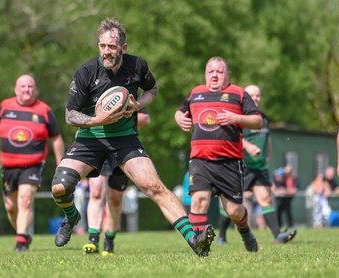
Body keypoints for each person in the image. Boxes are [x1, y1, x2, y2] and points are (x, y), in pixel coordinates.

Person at [50, 18, 213, 257]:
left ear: (123, 48)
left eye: (112, 47)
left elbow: (153, 90)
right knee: (60, 186)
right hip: (90, 139)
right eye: (103, 46)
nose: (107, 52)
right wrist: (98, 120)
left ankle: (194, 240)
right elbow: (69, 115)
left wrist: (138, 105)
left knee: (154, 187)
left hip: (125, 139)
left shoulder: (137, 66)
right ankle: (72, 217)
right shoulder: (86, 71)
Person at [174, 56, 262, 252]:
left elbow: (257, 121)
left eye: (219, 72)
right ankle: (200, 248)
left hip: (229, 162)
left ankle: (245, 231)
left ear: (227, 74)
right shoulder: (196, 93)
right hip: (200, 160)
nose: (214, 75)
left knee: (234, 211)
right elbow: (180, 111)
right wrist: (180, 118)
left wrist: (236, 118)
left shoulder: (238, 94)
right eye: (210, 71)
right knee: (198, 201)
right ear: (205, 74)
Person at [0, 74, 65, 252]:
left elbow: (56, 138)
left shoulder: (44, 110)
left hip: (33, 164)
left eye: (30, 86)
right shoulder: (5, 106)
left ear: (35, 90)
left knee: (25, 199)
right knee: (11, 207)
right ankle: (24, 234)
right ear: (15, 89)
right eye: (23, 86)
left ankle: (20, 242)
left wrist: (60, 162)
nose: (27, 90)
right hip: (8, 166)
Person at [217, 84, 297, 245]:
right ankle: (222, 236)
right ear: (245, 97)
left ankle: (277, 236)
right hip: (240, 166)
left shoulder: (263, 118)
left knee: (266, 198)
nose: (255, 98)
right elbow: (231, 137)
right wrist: (248, 146)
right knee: (231, 204)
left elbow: (266, 138)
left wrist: (268, 155)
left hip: (259, 168)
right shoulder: (237, 117)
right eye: (252, 95)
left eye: (258, 95)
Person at [83, 108, 151, 256]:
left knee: (115, 198)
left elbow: (146, 119)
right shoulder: (93, 88)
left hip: (123, 147)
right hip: (98, 146)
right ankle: (93, 239)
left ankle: (109, 238)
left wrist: (119, 118)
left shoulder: (126, 91)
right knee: (96, 192)